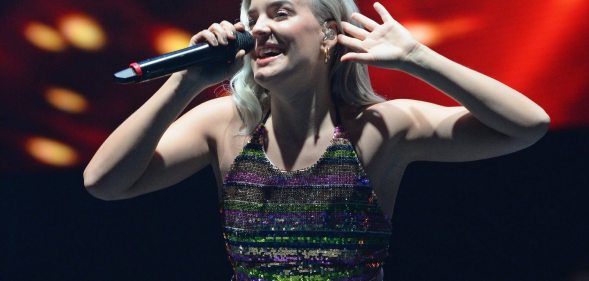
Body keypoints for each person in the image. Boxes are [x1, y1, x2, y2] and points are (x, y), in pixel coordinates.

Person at [83, 0, 550, 280]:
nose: (258, 27)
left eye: (280, 11)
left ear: (330, 32)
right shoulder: (224, 124)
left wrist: (417, 58)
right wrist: (184, 83)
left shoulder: (382, 127)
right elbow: (104, 182)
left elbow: (527, 125)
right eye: (252, 16)